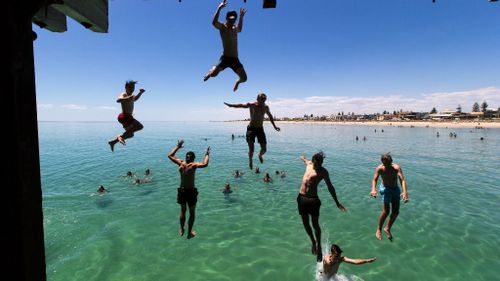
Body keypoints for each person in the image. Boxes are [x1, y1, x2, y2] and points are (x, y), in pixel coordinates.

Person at [297, 152, 346, 262]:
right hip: (302, 198)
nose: (320, 165)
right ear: (313, 160)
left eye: (321, 163)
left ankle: (319, 247)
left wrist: (337, 202)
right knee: (305, 223)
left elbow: (330, 187)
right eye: (318, 163)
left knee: (315, 224)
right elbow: (305, 160)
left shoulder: (323, 172)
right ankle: (313, 241)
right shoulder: (309, 164)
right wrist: (303, 157)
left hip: (313, 200)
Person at [224, 93, 280, 169]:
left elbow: (270, 116)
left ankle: (260, 155)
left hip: (260, 129)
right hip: (251, 129)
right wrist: (231, 105)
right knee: (251, 149)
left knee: (264, 149)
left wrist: (275, 126)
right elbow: (241, 105)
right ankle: (250, 160)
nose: (263, 101)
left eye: (264, 99)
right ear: (257, 99)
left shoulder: (266, 107)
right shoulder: (252, 105)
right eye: (262, 99)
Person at [168, 140, 210, 239]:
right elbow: (205, 164)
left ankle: (182, 229)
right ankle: (189, 232)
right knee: (192, 212)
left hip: (182, 190)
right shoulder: (194, 165)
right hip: (191, 191)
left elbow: (170, 155)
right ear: (193, 158)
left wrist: (178, 146)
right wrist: (207, 154)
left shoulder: (181, 163)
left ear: (186, 157)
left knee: (183, 210)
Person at [204, 0, 247, 92]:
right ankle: (211, 70)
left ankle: (237, 82)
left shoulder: (235, 28)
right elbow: (214, 22)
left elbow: (240, 29)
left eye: (234, 19)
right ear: (227, 18)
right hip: (225, 58)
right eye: (230, 19)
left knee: (244, 78)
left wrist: (241, 17)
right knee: (213, 75)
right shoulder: (222, 27)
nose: (232, 21)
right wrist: (219, 8)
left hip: (235, 59)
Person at [370, 153, 408, 241]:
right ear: (382, 162)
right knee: (386, 211)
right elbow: (374, 179)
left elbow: (402, 180)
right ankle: (379, 229)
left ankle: (387, 228)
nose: (386, 166)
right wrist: (373, 189)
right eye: (384, 164)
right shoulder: (380, 168)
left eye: (388, 163)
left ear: (391, 162)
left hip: (395, 189)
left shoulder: (396, 168)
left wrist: (405, 192)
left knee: (396, 212)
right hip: (385, 189)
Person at [108, 80, 146, 151]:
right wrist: (128, 98)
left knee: (130, 134)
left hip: (127, 117)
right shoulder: (124, 94)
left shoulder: (131, 96)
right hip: (124, 116)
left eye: (133, 88)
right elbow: (118, 100)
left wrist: (140, 93)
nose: (132, 90)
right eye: (130, 88)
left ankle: (113, 142)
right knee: (140, 126)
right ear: (126, 87)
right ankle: (120, 136)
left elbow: (135, 99)